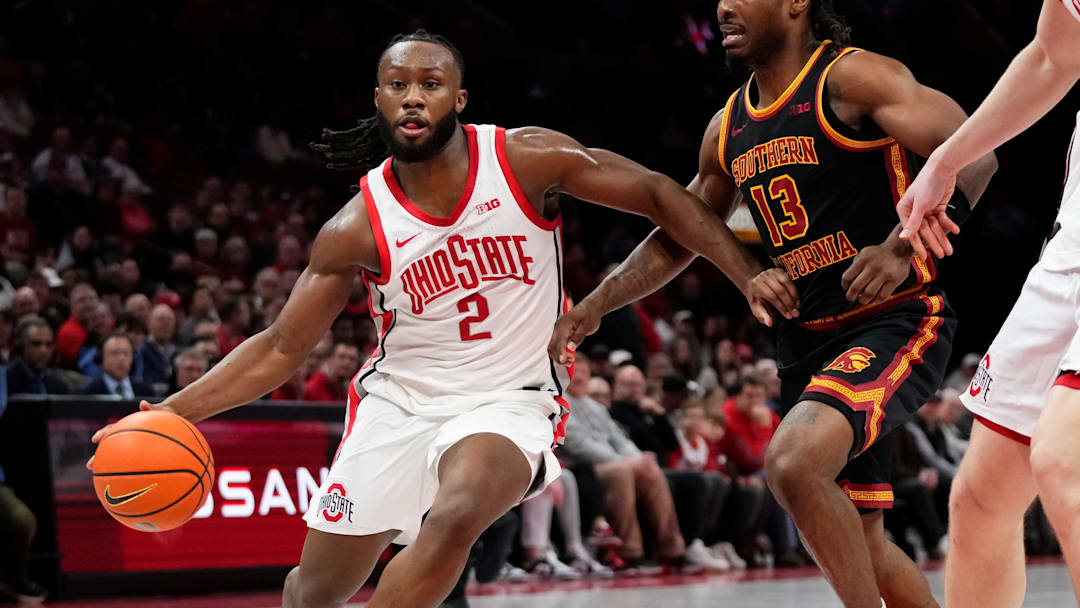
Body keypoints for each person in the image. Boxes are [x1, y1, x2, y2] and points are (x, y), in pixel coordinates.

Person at [88, 30, 793, 608]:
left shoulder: (525, 158)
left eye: (430, 83)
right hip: (397, 404)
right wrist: (168, 414)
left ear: (458, 97)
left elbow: (663, 196)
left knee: (457, 514)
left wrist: (746, 270)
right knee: (314, 593)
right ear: (379, 100)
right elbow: (280, 347)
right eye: (398, 85)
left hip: (508, 401)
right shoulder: (356, 227)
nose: (413, 96)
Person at [550, 1, 999, 605]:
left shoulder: (854, 77)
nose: (723, 5)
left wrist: (901, 245)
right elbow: (682, 231)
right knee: (860, 544)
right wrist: (598, 303)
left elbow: (973, 153)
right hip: (806, 338)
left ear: (795, 3)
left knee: (791, 464)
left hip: (894, 319)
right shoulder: (727, 125)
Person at [894, 2, 1080, 603]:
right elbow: (1055, 56)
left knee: (1065, 462)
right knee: (981, 496)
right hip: (1071, 247)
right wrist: (947, 160)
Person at [78, 333, 154, 398]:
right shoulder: (87, 393)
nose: (122, 358)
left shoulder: (146, 393)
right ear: (102, 358)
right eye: (115, 353)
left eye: (126, 353)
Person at [6, 316, 68, 395]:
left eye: (49, 344)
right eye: (36, 344)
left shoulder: (57, 382)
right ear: (21, 346)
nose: (44, 350)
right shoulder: (6, 380)